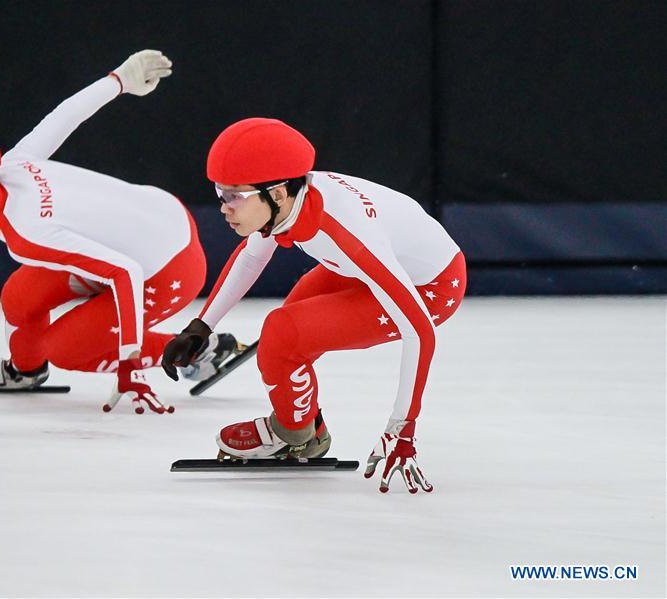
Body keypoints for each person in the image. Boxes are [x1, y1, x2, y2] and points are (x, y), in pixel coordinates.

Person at [0, 50, 238, 414]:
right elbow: (64, 116)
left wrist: (129, 363)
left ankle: (197, 350)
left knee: (65, 350)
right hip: (158, 219)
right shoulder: (12, 165)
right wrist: (119, 81)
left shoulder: (27, 231)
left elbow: (126, 272)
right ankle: (24, 372)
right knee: (19, 297)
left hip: (169, 270)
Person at [162, 118, 466, 491]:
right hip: (363, 266)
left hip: (430, 287)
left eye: (234, 196)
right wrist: (200, 327)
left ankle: (292, 435)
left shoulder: (347, 231)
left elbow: (419, 332)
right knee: (286, 332)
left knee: (283, 333)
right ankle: (308, 425)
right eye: (219, 193)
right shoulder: (289, 197)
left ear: (277, 194)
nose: (224, 207)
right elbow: (252, 257)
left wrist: (402, 430)